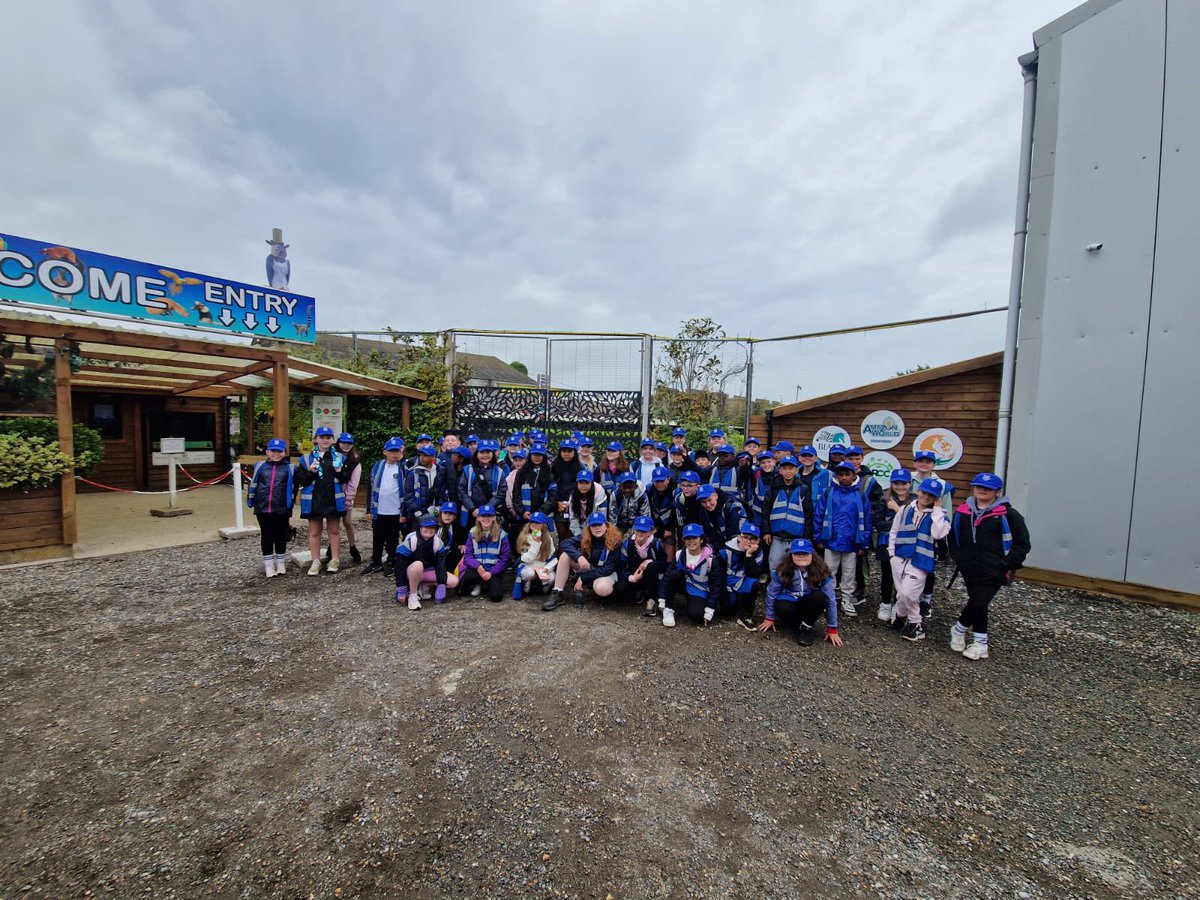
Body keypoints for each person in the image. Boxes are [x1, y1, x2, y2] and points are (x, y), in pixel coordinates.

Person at [947, 472, 1031, 661]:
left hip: (995, 568)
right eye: (979, 487)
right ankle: (980, 643)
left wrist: (1008, 564)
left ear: (997, 491)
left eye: (987, 488)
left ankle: (959, 629)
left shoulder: (1008, 514)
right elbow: (953, 537)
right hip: (969, 566)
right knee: (978, 603)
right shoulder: (963, 511)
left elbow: (1023, 543)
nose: (982, 490)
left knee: (978, 601)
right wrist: (958, 558)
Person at [888, 478, 951, 642]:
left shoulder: (940, 517)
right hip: (900, 557)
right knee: (904, 594)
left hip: (921, 561)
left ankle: (910, 620)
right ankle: (908, 621)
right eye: (924, 492)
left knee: (907, 594)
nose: (926, 496)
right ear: (918, 491)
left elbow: (938, 534)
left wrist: (937, 509)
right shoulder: (905, 510)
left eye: (932, 495)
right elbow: (894, 531)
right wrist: (891, 554)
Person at [757, 539, 842, 647]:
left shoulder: (822, 571)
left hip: (808, 603)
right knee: (781, 605)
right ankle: (798, 626)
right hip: (790, 603)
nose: (801, 556)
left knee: (820, 597)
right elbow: (772, 593)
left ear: (812, 553)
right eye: (797, 553)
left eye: (805, 553)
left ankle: (806, 627)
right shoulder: (782, 570)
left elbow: (831, 600)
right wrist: (769, 617)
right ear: (791, 554)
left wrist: (832, 628)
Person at [815, 460, 872, 618]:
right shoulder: (829, 493)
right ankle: (829, 599)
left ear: (854, 475)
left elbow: (866, 520)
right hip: (831, 539)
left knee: (849, 573)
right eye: (841, 474)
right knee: (829, 571)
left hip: (852, 541)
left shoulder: (860, 495)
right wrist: (818, 536)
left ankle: (847, 599)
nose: (844, 477)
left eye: (847, 474)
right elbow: (819, 515)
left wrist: (864, 543)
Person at [295, 426, 352, 575]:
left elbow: (346, 478)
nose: (325, 440)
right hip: (314, 501)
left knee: (334, 531)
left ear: (333, 440)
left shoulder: (339, 457)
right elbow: (301, 479)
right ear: (316, 439)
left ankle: (334, 559)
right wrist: (311, 472)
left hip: (333, 500)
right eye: (322, 437)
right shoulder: (306, 458)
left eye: (328, 437)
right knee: (314, 532)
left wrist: (339, 471)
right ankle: (315, 561)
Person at [544, 511, 622, 610]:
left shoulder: (615, 540)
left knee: (602, 589)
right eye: (593, 525)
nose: (597, 528)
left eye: (599, 524)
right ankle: (558, 592)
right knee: (565, 556)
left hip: (606, 573)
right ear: (589, 527)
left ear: (606, 525)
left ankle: (608, 594)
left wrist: (584, 578)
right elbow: (564, 543)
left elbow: (608, 568)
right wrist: (579, 557)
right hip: (590, 568)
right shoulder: (587, 537)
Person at [657, 523, 725, 627]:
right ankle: (669, 608)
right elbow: (667, 577)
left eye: (694, 538)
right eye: (687, 538)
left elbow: (716, 585)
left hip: (700, 590)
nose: (691, 541)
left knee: (697, 616)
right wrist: (662, 599)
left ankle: (692, 603)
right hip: (684, 584)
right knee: (674, 574)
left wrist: (709, 610)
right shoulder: (679, 554)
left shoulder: (711, 559)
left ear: (701, 539)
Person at [246, 437, 295, 577]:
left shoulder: (290, 468)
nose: (276, 454)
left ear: (284, 453)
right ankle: (268, 565)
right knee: (266, 535)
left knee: (280, 535)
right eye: (273, 451)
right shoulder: (260, 466)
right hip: (262, 507)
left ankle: (280, 562)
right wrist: (251, 499)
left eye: (279, 451)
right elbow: (254, 483)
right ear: (267, 451)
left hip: (281, 508)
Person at [872, 469, 911, 622]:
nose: (900, 487)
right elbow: (879, 523)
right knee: (887, 575)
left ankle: (898, 604)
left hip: (907, 546)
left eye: (904, 483)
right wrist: (897, 525)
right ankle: (885, 603)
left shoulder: (915, 501)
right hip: (886, 544)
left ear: (909, 484)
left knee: (902, 577)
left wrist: (898, 511)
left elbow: (914, 524)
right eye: (896, 483)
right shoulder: (884, 499)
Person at [393, 517, 458, 609]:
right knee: (418, 565)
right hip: (411, 572)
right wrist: (401, 588)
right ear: (420, 527)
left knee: (453, 582)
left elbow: (441, 565)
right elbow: (400, 566)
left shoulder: (438, 543)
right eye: (426, 527)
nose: (429, 530)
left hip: (428, 571)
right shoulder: (411, 541)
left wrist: (441, 584)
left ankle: (423, 585)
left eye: (432, 527)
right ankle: (412, 595)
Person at [363, 437, 406, 576]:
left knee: (392, 537)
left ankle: (391, 561)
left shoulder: (403, 468)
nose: (394, 454)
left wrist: (403, 512)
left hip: (395, 510)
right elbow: (371, 487)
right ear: (384, 452)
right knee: (378, 536)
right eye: (391, 451)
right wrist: (369, 509)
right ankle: (376, 561)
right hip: (379, 509)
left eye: (397, 451)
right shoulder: (378, 466)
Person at [761, 455, 808, 570]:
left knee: (796, 566)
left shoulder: (803, 489)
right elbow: (766, 510)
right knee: (774, 564)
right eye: (785, 468)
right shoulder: (773, 488)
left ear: (796, 470)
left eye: (791, 468)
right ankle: (776, 587)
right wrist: (766, 531)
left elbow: (809, 513)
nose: (788, 471)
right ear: (780, 470)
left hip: (796, 536)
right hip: (777, 537)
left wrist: (806, 536)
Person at [458, 505, 512, 602]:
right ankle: (477, 582)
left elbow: (505, 558)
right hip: (478, 568)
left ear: (494, 517)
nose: (486, 519)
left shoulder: (502, 534)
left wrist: (491, 572)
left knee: (496, 597)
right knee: (461, 591)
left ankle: (486, 583)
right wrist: (478, 567)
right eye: (483, 516)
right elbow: (468, 556)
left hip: (493, 570)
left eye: (489, 516)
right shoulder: (472, 532)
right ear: (478, 518)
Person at [720, 521, 766, 630]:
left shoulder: (758, 552)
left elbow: (755, 573)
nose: (748, 541)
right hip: (727, 585)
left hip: (743, 583)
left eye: (752, 539)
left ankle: (745, 615)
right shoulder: (725, 550)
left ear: (758, 541)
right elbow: (719, 575)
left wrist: (749, 555)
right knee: (728, 611)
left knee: (754, 583)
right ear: (739, 537)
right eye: (745, 537)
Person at [618, 515, 669, 616]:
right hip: (635, 575)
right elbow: (621, 565)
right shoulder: (628, 543)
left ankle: (651, 600)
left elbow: (664, 565)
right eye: (638, 530)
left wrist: (648, 561)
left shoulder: (656, 544)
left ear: (650, 532)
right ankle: (639, 592)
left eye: (644, 531)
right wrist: (632, 577)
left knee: (653, 566)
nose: (640, 533)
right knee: (620, 588)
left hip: (652, 577)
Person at [513, 511, 557, 599]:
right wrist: (536, 543)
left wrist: (547, 569)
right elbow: (527, 559)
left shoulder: (548, 538)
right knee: (529, 573)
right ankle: (527, 583)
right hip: (528, 565)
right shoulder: (525, 537)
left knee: (552, 577)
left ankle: (545, 587)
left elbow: (553, 558)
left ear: (543, 525)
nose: (534, 524)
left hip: (542, 566)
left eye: (537, 523)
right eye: (532, 522)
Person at [459, 439, 506, 522]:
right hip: (471, 513)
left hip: (490, 513)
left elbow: (501, 493)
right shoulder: (468, 470)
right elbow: (462, 491)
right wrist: (473, 509)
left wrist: (486, 510)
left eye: (488, 452)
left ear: (492, 454)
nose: (485, 455)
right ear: (477, 453)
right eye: (482, 452)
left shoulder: (499, 472)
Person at [403, 444, 445, 535]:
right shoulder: (413, 472)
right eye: (421, 455)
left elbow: (443, 491)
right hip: (417, 515)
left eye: (425, 455)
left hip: (435, 513)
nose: (422, 458)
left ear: (433, 457)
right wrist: (417, 512)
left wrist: (438, 508)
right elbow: (408, 494)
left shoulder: (441, 471)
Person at [513, 443, 555, 524]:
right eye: (534, 454)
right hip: (525, 516)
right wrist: (522, 512)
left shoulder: (549, 473)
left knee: (539, 536)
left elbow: (552, 497)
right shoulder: (522, 473)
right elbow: (516, 494)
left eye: (539, 455)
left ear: (544, 457)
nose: (537, 457)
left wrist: (541, 512)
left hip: (543, 516)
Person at [697, 483, 747, 548]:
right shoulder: (705, 510)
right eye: (704, 502)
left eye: (709, 500)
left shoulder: (732, 508)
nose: (708, 504)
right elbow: (711, 534)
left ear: (716, 496)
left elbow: (735, 535)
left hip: (738, 545)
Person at [564, 468, 609, 537]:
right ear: (577, 483)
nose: (583, 486)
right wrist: (579, 535)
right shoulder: (573, 495)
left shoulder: (599, 492)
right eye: (580, 482)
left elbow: (602, 517)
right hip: (580, 523)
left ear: (592, 483)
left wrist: (590, 533)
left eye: (587, 482)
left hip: (596, 524)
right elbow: (573, 518)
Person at [745, 451, 776, 529]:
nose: (766, 465)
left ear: (774, 462)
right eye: (763, 463)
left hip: (774, 514)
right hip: (757, 514)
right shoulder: (755, 474)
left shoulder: (780, 476)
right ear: (759, 464)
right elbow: (749, 492)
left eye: (769, 461)